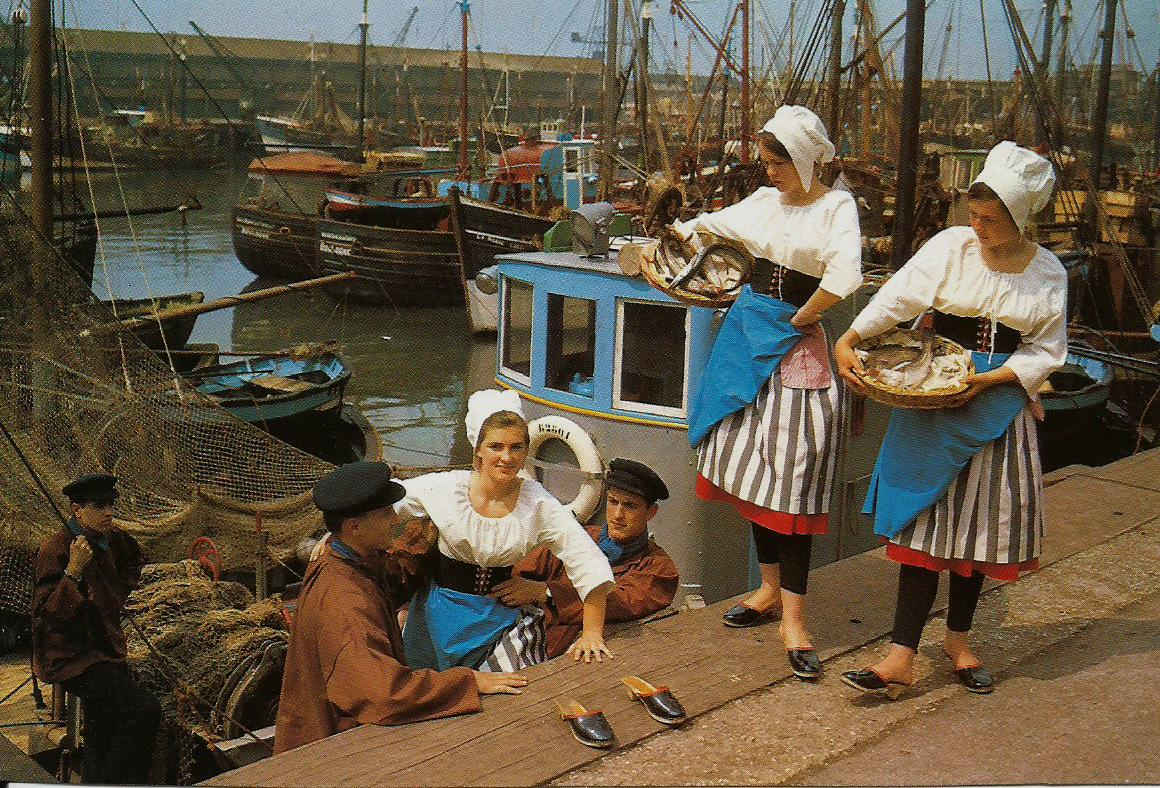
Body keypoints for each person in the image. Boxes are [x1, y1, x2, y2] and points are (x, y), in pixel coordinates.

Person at [833, 141, 1066, 696]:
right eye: (976, 214)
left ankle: (958, 640)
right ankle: (899, 656)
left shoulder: (1048, 272)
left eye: (990, 219)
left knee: (978, 530)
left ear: (1021, 217)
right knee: (923, 524)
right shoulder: (950, 248)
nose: (978, 225)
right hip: (932, 386)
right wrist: (850, 337)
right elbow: (897, 298)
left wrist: (996, 379)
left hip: (997, 402)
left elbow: (1047, 347)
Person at [672, 105, 862, 679]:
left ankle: (796, 621)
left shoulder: (836, 208)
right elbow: (709, 225)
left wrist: (801, 316)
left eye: (778, 162)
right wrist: (675, 238)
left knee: (794, 482)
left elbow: (845, 276)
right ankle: (769, 589)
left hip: (796, 341)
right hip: (748, 329)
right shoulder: (762, 203)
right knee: (754, 470)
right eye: (768, 161)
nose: (770, 172)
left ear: (805, 160)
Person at [274, 461, 527, 753]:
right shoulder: (344, 603)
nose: (396, 519)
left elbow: (390, 578)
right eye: (386, 513)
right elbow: (383, 693)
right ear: (354, 527)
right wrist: (467, 681)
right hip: (330, 747)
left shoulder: (341, 555)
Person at [396, 389, 616, 672]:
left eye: (516, 447)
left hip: (498, 617)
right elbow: (388, 500)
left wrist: (592, 633)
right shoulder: (445, 488)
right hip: (437, 614)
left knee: (506, 693)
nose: (507, 457)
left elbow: (587, 560)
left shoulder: (538, 503)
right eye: (496, 447)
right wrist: (335, 536)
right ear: (478, 449)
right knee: (431, 695)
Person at [32, 473, 161, 784]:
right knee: (144, 710)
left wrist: (116, 592)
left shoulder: (113, 539)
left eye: (111, 505)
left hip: (105, 649)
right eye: (99, 506)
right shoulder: (57, 549)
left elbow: (136, 560)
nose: (109, 512)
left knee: (104, 729)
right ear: (77, 510)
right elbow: (46, 617)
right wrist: (74, 572)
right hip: (72, 657)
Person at [505, 458, 679, 658]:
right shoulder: (582, 537)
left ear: (651, 513)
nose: (618, 515)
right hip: (528, 632)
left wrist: (547, 592)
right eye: (613, 502)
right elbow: (524, 570)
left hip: (572, 652)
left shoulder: (660, 569)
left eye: (630, 506)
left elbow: (618, 602)